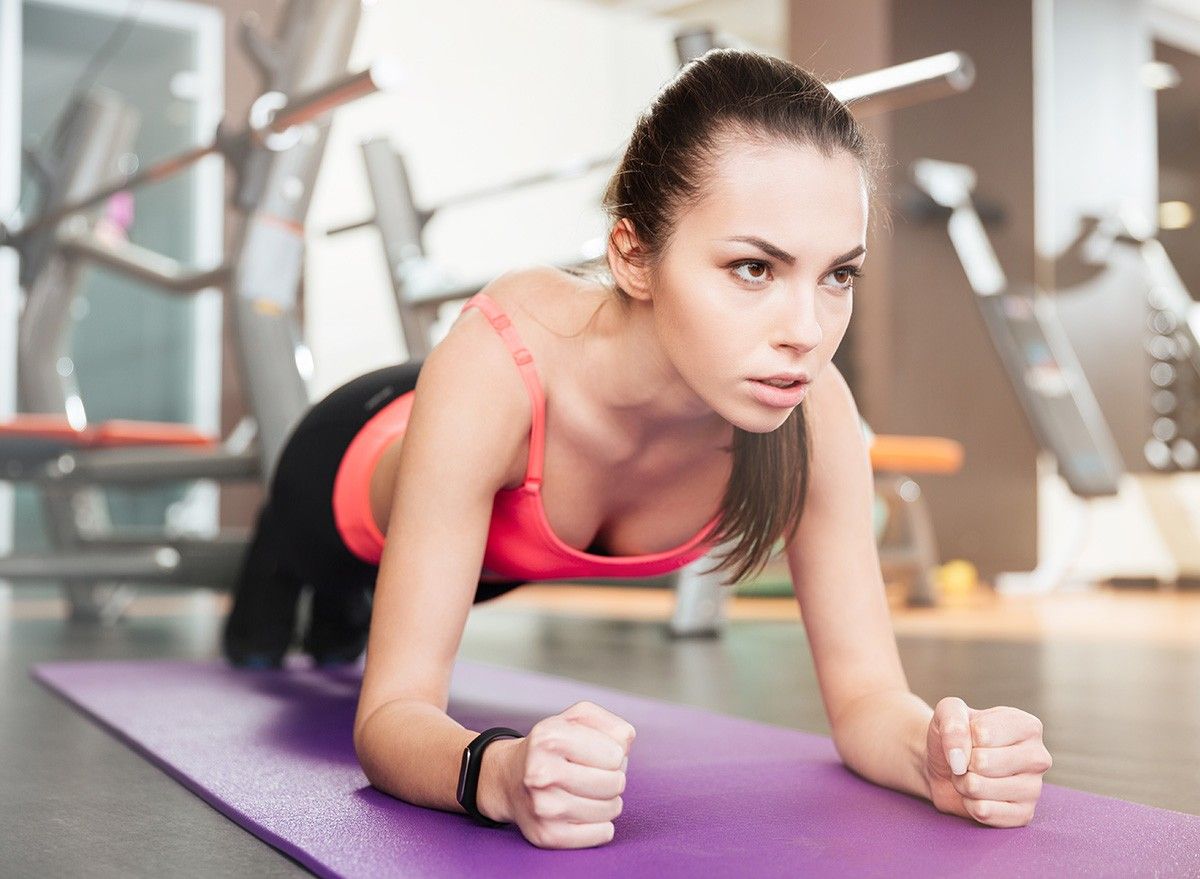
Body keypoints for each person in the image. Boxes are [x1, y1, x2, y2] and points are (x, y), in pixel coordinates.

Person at [222, 48, 1052, 849]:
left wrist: (941, 757)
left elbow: (872, 699)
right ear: (632, 255)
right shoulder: (494, 367)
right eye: (754, 268)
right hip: (343, 470)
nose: (806, 333)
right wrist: (498, 772)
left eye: (838, 275)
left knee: (345, 636)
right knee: (265, 649)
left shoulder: (810, 411)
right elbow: (389, 718)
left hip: (483, 554)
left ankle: (344, 617)